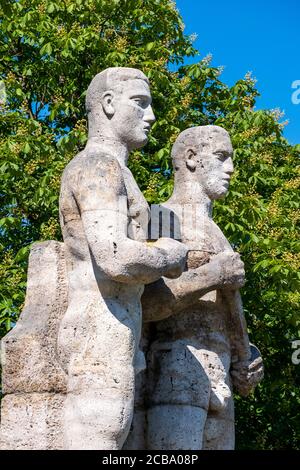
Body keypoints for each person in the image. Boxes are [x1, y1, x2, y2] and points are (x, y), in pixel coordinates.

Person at [57, 67, 188, 450]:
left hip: (118, 327)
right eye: (140, 103)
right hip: (99, 328)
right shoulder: (98, 166)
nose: (151, 116)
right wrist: (170, 253)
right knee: (99, 437)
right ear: (109, 104)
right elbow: (114, 256)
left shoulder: (119, 172)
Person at [140, 125, 263, 450]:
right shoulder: (161, 215)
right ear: (191, 158)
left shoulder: (217, 231)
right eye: (222, 157)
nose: (231, 169)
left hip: (221, 371)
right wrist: (213, 274)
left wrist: (246, 358)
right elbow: (150, 303)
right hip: (177, 365)